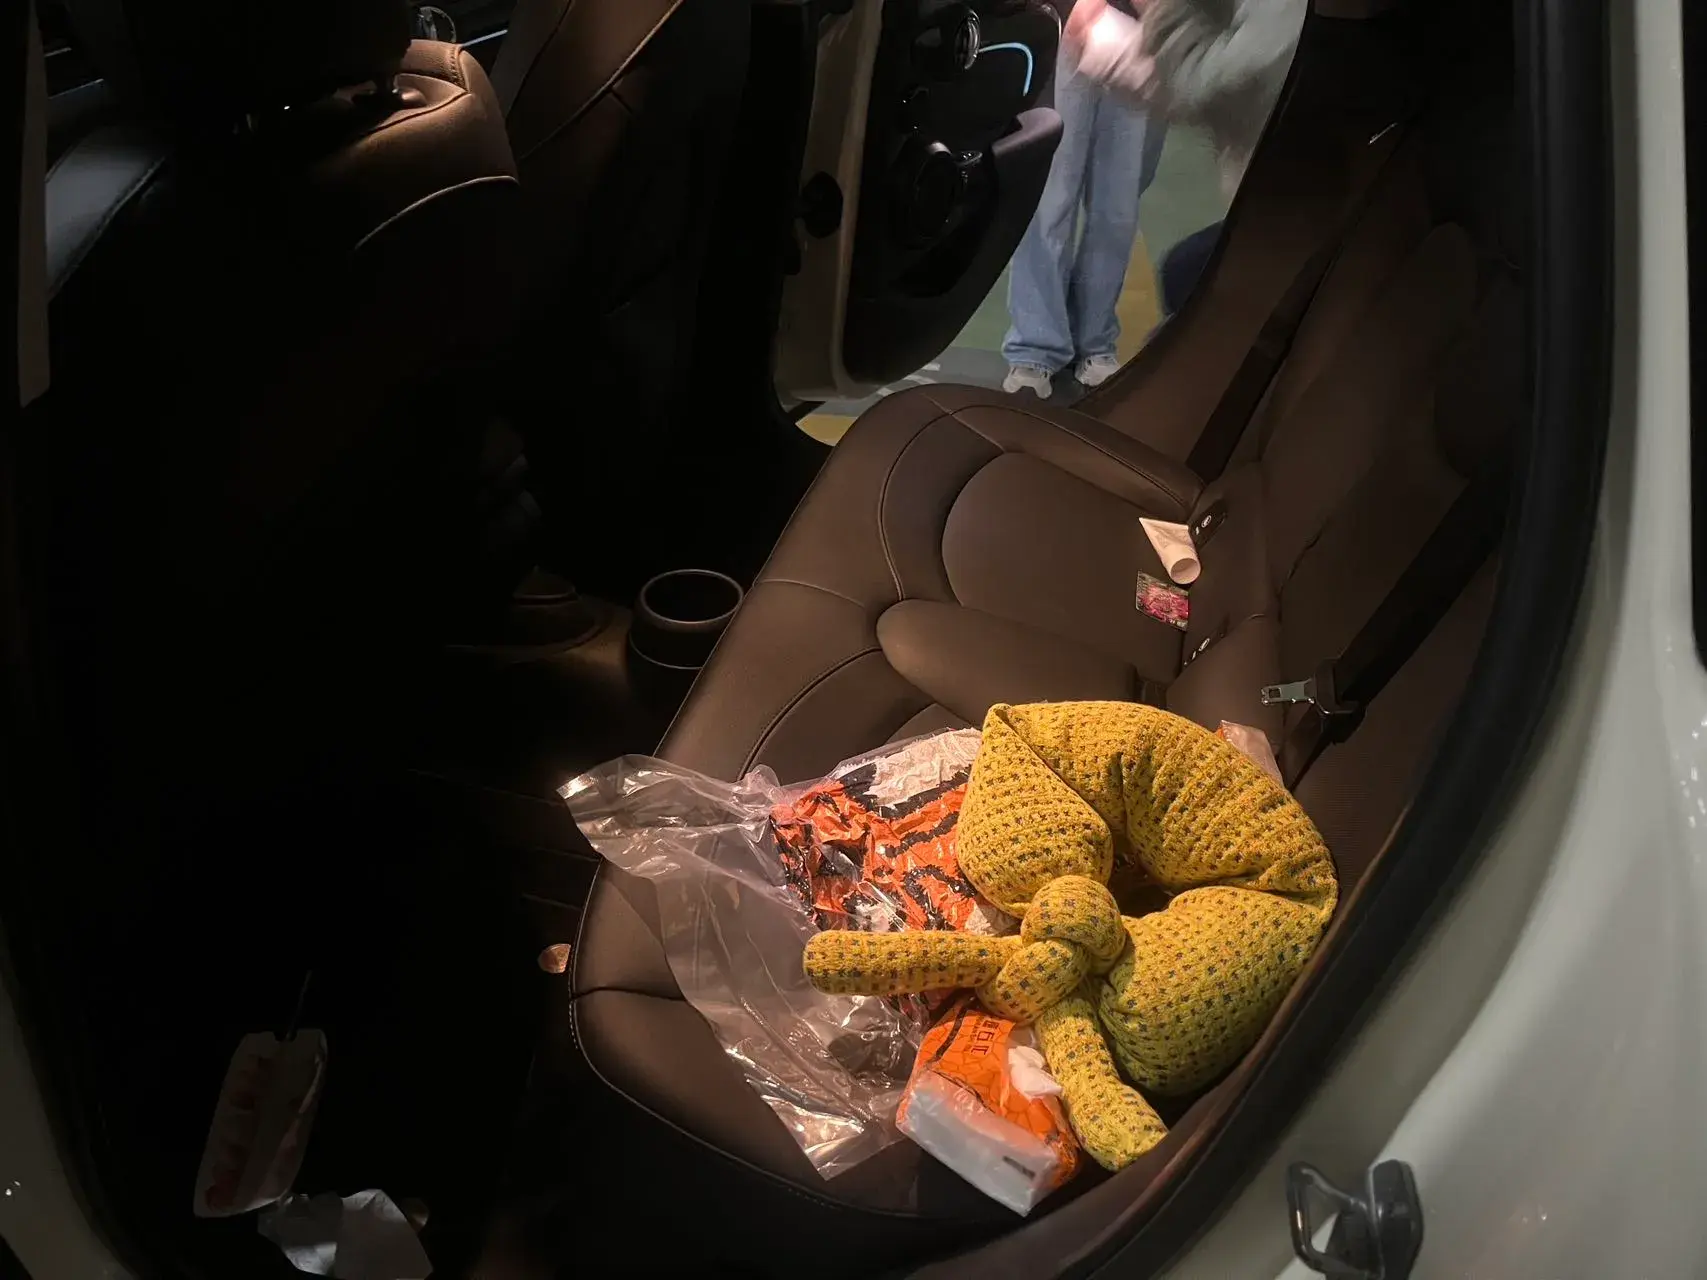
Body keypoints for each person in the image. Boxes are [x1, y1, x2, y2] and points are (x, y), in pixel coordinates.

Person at [1067, 0, 1307, 315]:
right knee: (1181, 272)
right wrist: (1100, 40)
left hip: (1312, 214)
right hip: (1297, 195)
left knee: (1186, 281)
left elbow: (1239, 83)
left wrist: (1159, 10)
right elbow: (1203, 88)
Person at [1001, 2, 1167, 400]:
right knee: (1050, 199)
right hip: (1070, 25)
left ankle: (1095, 341)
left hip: (1145, 34)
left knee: (1117, 208)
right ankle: (1035, 347)